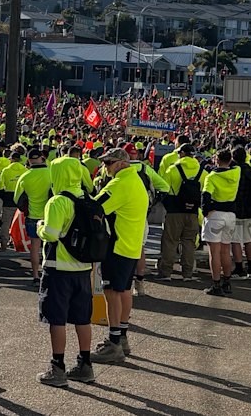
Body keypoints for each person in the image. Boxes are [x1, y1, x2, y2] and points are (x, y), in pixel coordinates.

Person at [35, 157, 94, 387]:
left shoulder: (58, 201)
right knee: (82, 318)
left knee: (56, 319)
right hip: (83, 268)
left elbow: (50, 233)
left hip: (58, 268)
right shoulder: (87, 199)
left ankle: (57, 367)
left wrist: (40, 226)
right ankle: (85, 364)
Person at [91, 148, 149, 364]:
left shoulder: (119, 183)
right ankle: (121, 337)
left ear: (121, 163)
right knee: (124, 291)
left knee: (111, 292)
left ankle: (114, 341)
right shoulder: (136, 180)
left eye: (109, 163)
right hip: (131, 245)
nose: (105, 167)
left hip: (117, 245)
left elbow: (96, 207)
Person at [125, 142, 169, 293]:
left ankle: (122, 284)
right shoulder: (145, 169)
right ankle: (140, 283)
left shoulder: (115, 169)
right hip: (141, 215)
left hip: (119, 216)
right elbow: (164, 187)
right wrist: (152, 202)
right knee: (140, 249)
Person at [158, 143, 205, 281]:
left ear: (182, 153)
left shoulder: (173, 169)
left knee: (170, 241)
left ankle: (166, 272)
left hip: (174, 211)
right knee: (189, 243)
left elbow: (164, 188)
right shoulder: (202, 172)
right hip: (193, 212)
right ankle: (188, 274)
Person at [201, 150, 241, 296]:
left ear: (217, 160)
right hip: (230, 215)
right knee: (226, 250)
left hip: (215, 214)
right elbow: (235, 163)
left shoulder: (211, 177)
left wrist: (206, 212)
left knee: (214, 252)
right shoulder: (236, 172)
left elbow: (205, 196)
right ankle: (227, 282)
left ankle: (216, 284)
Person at [14, 149, 52, 284]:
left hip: (32, 217)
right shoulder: (51, 173)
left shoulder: (25, 176)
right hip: (50, 215)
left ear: (29, 161)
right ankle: (49, 275)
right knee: (50, 246)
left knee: (34, 248)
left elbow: (16, 199)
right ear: (42, 158)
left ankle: (36, 276)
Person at [231, 146, 251, 280]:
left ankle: (239, 268)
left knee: (236, 240)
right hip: (250, 211)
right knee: (248, 239)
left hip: (236, 210)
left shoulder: (233, 172)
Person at [0, 151, 27, 252]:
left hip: (8, 198)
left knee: (6, 223)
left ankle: (3, 245)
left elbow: (0, 186)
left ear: (12, 159)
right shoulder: (25, 170)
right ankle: (20, 244)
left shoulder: (6, 170)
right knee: (21, 224)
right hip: (21, 199)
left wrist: (3, 197)